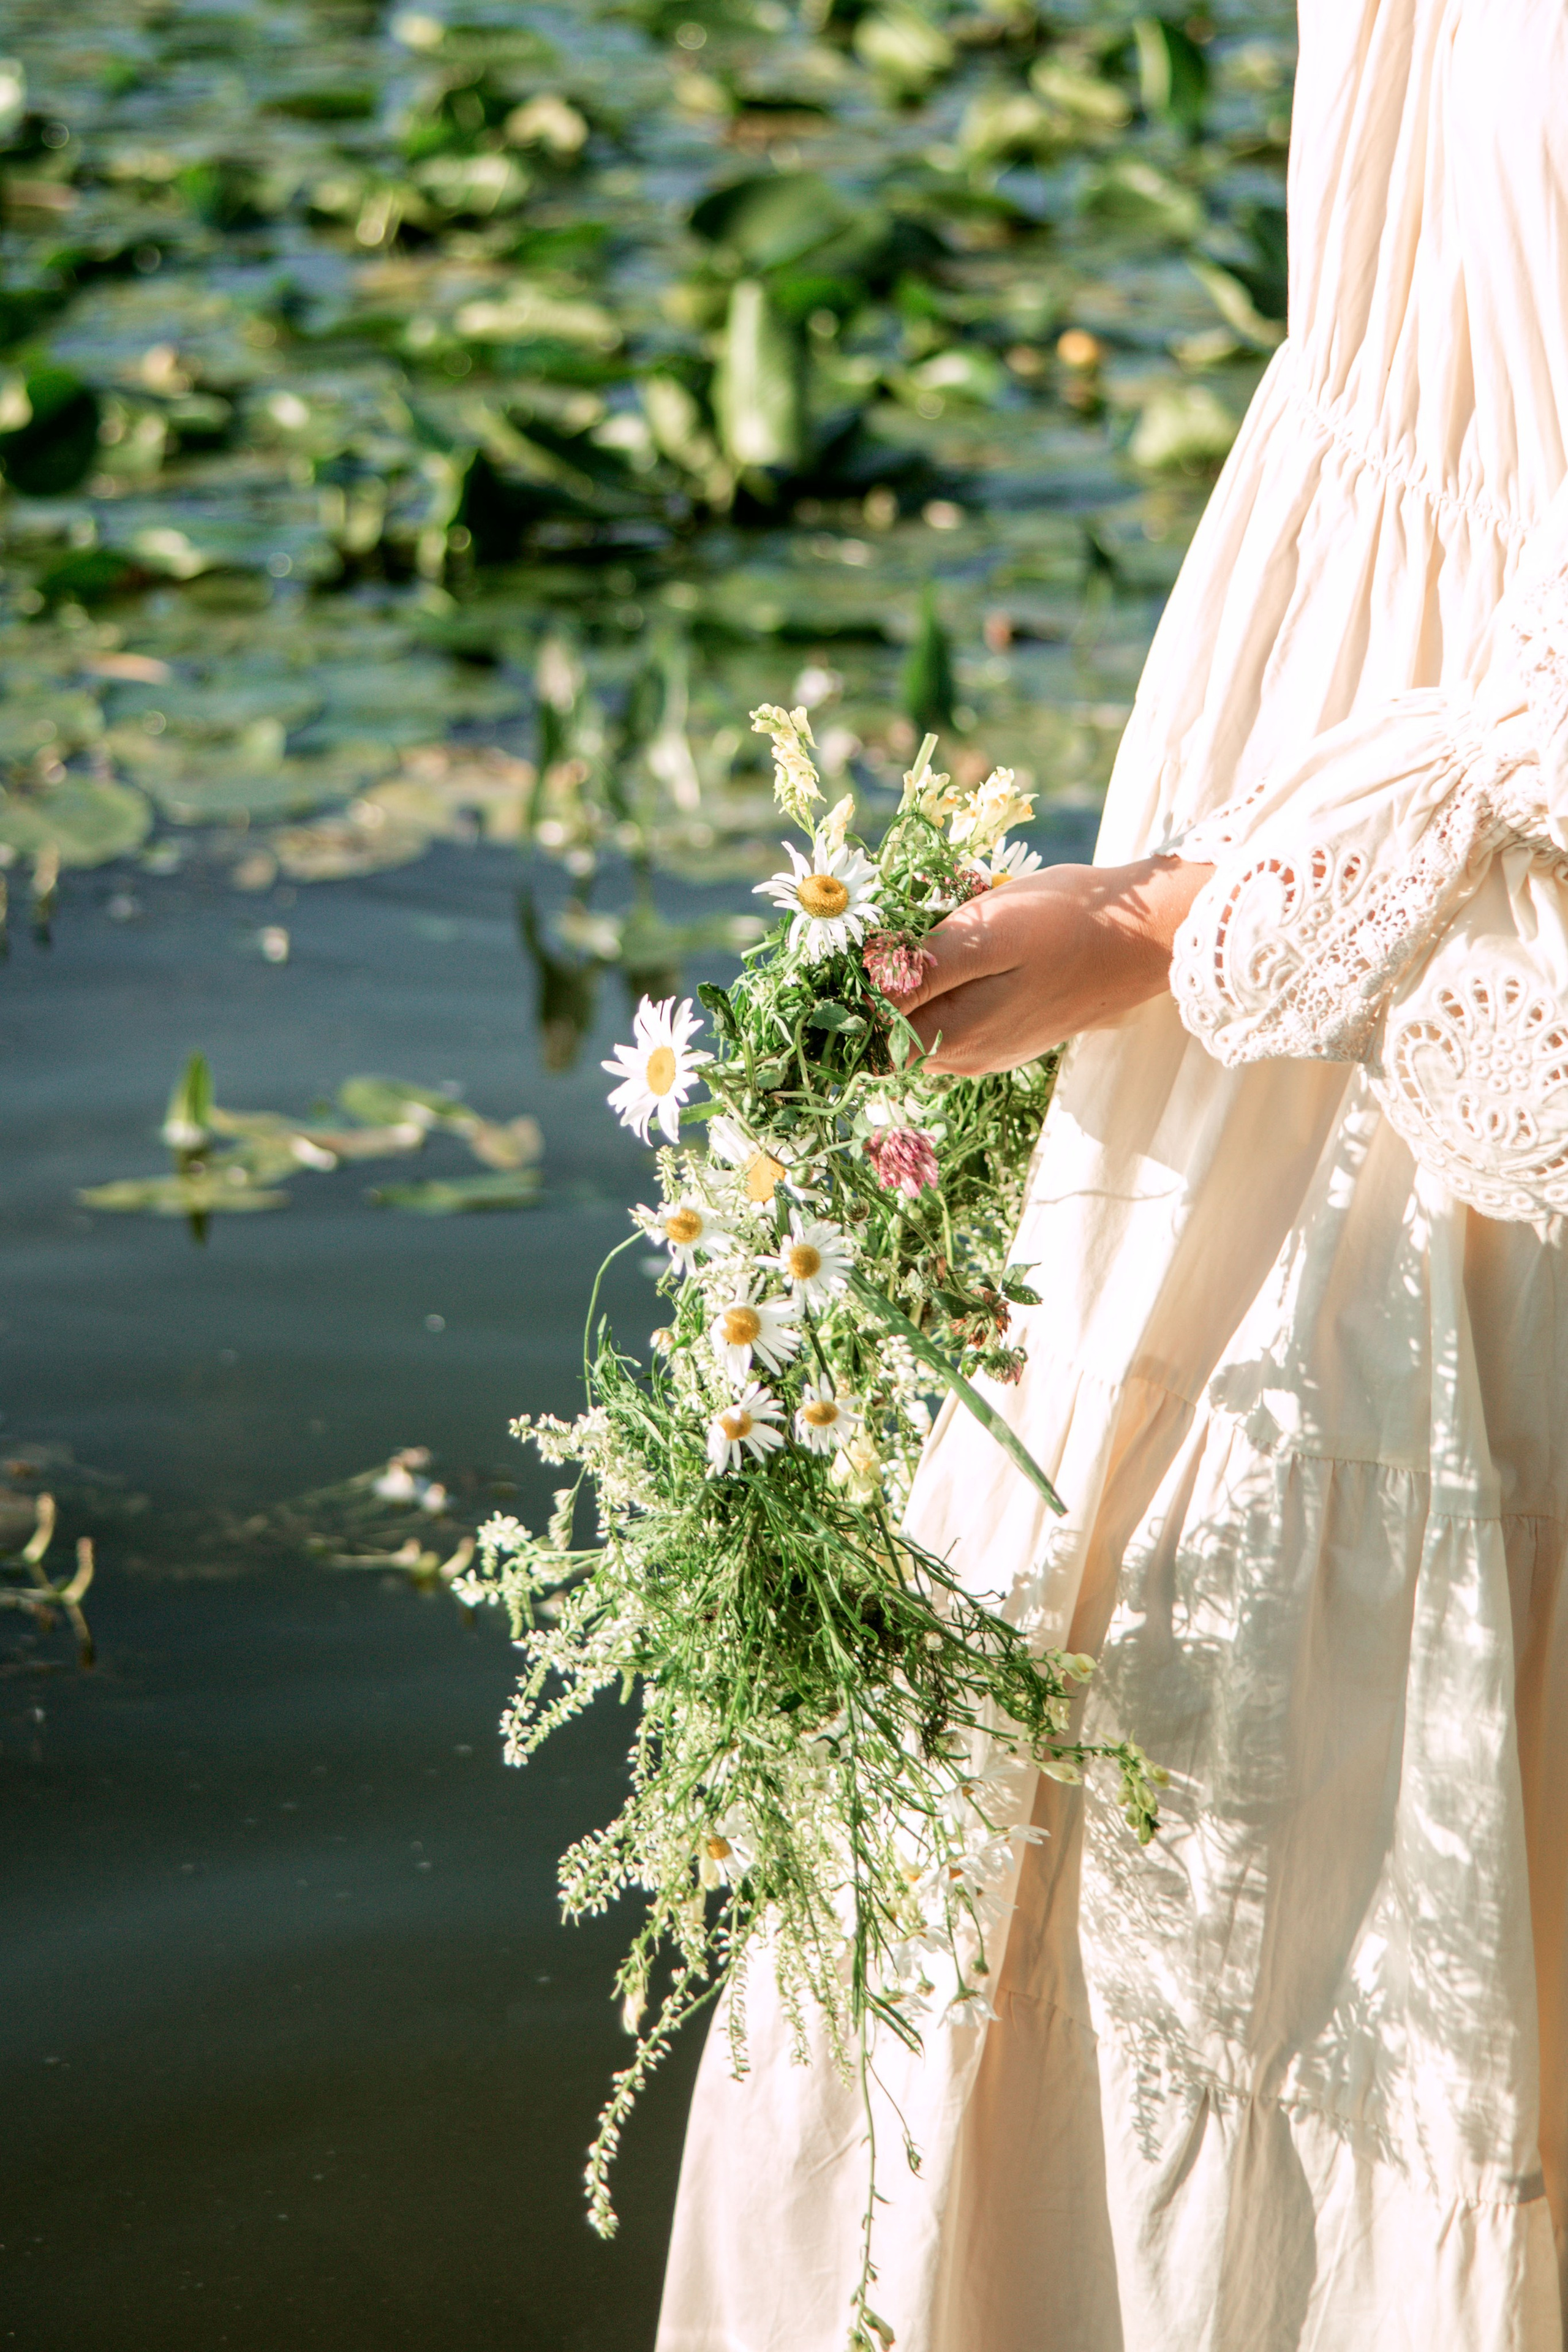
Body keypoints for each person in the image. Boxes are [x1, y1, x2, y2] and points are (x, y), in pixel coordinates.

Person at [657, 2, 1568, 2344]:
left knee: (1345, 1812)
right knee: (1099, 1724)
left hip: (1460, 926)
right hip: (1314, 759)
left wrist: (1182, 920)